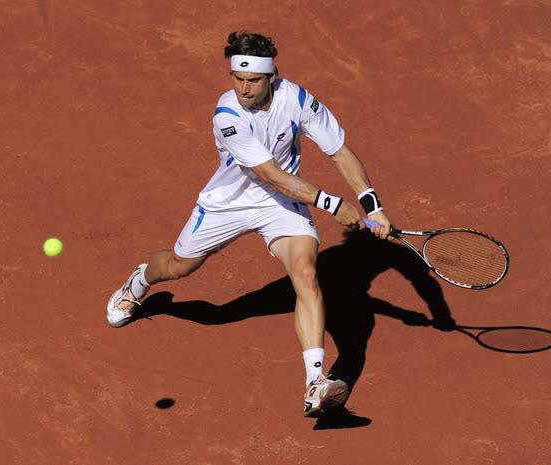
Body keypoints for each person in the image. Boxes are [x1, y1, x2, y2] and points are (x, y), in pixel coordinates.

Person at [106, 31, 393, 417]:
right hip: (230, 203)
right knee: (180, 267)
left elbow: (339, 151)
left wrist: (372, 206)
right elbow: (271, 174)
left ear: (272, 77)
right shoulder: (228, 116)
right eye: (237, 79)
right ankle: (140, 281)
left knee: (307, 275)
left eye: (252, 81)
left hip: (283, 204)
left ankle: (315, 384)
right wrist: (333, 203)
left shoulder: (298, 100)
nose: (243, 88)